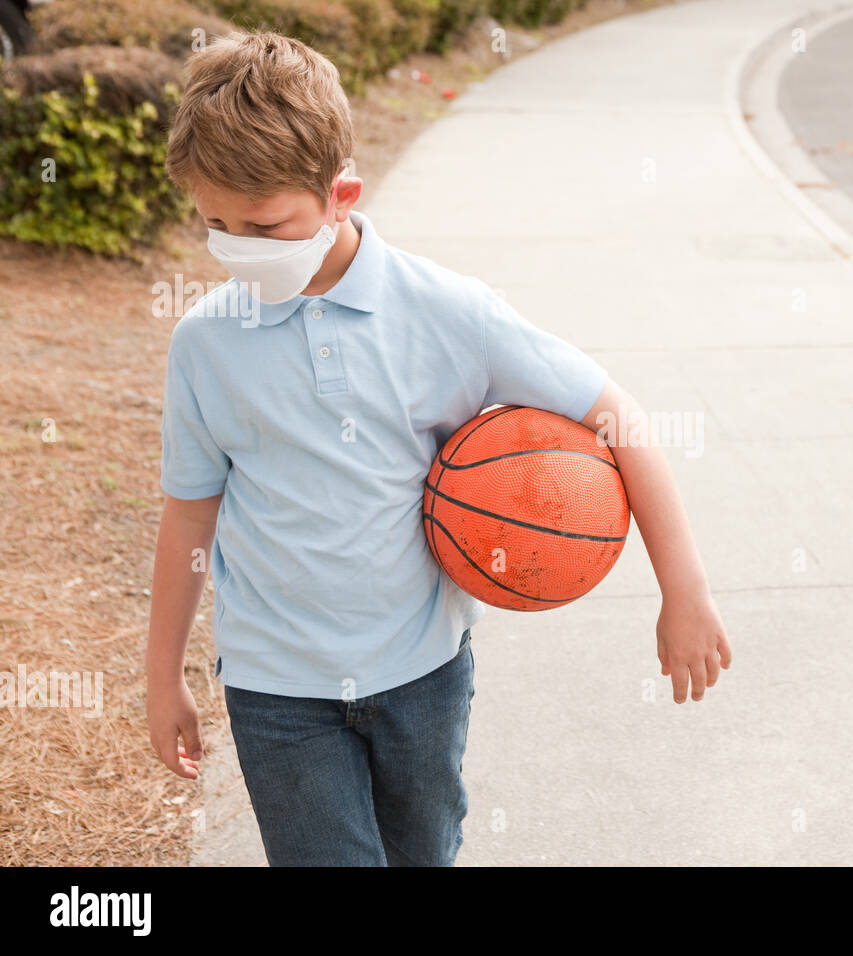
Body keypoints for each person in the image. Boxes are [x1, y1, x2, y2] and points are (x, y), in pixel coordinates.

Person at [144, 30, 732, 866]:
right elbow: (188, 517)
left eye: (266, 226)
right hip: (277, 686)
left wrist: (684, 589)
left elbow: (620, 419)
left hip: (420, 674)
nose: (239, 248)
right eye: (216, 226)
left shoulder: (448, 312)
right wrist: (161, 674)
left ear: (341, 194)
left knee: (424, 854)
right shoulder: (205, 345)